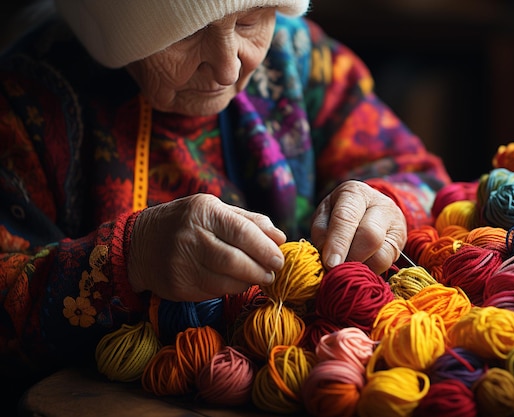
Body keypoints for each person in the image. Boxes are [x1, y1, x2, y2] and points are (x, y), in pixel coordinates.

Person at [0, 0, 450, 410]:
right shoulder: (23, 103)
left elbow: (416, 172)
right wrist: (131, 257)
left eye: (250, 22)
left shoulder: (299, 56)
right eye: (184, 34)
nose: (228, 66)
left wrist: (382, 205)